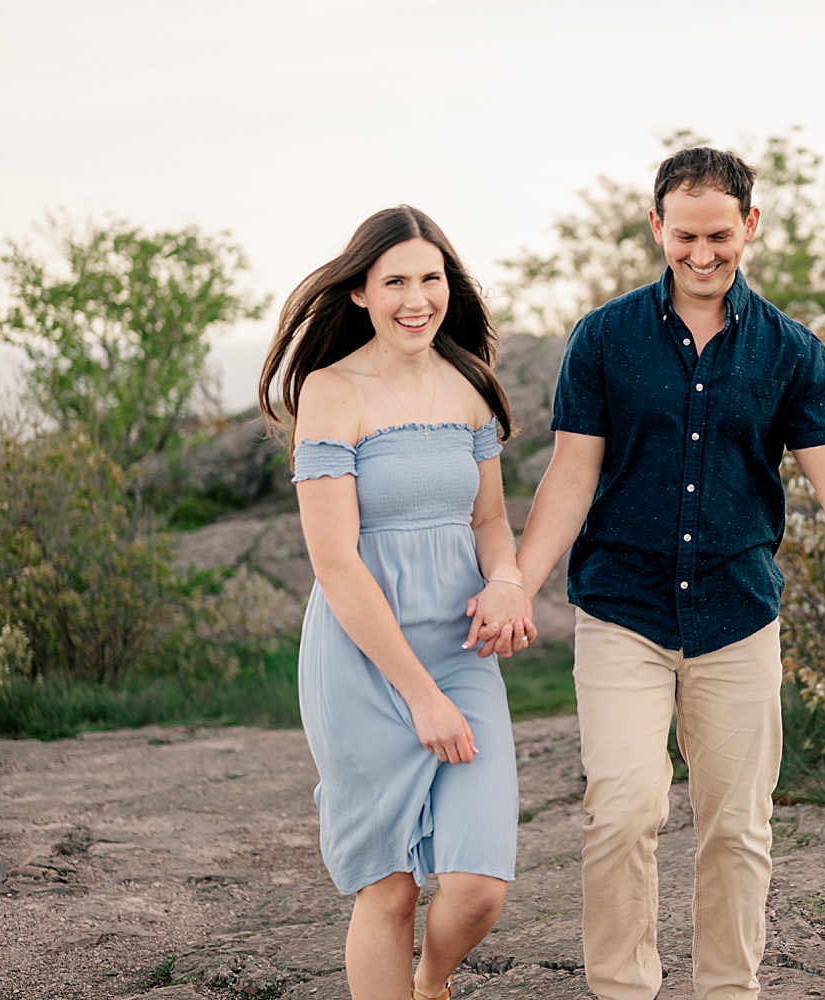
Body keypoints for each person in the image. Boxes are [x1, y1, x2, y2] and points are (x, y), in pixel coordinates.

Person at [512, 148, 825, 1000]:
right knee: (620, 815)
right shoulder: (605, 338)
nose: (701, 253)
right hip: (623, 613)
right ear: (657, 228)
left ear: (750, 227)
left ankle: (728, 991)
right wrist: (516, 581)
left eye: (719, 234)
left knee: (737, 829)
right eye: (683, 234)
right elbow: (572, 473)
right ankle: (623, 990)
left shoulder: (793, 352)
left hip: (737, 615)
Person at [257, 205, 536, 1000]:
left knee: (478, 885)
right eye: (395, 282)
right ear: (359, 294)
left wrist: (507, 579)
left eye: (431, 279)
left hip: (461, 654)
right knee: (390, 890)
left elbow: (490, 521)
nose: (417, 299)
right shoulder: (331, 391)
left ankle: (431, 981)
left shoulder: (472, 384)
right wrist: (420, 696)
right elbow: (336, 563)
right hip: (364, 663)